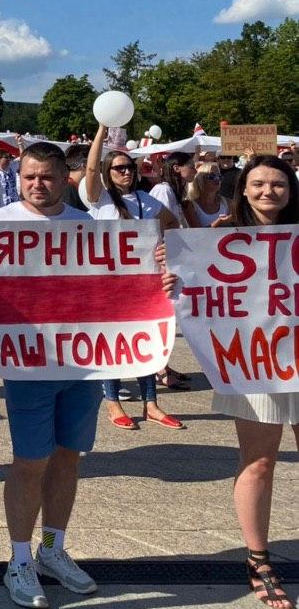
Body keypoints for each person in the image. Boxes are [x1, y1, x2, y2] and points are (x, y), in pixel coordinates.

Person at [166, 155, 299, 609]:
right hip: (253, 362)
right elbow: (192, 284)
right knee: (260, 462)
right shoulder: (220, 236)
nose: (268, 192)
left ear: (290, 189)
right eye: (258, 183)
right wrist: (173, 273)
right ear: (243, 189)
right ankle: (259, 560)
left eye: (278, 184)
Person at [0, 142, 103, 609]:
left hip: (83, 362)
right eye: (29, 176)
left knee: (69, 458)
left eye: (46, 177)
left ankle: (52, 549)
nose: (37, 184)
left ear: (63, 178)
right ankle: (18, 559)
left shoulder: (84, 224)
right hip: (28, 365)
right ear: (19, 176)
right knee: (30, 461)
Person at [83, 125, 183, 430]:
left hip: (143, 284)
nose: (126, 172)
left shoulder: (145, 199)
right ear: (108, 172)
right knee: (113, 343)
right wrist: (101, 128)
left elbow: (173, 224)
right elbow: (90, 167)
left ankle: (150, 403)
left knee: (147, 341)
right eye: (119, 168)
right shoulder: (98, 199)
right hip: (108, 284)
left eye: (130, 167)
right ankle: (113, 402)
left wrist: (167, 248)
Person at [148, 152, 196, 227]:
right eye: (192, 167)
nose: (196, 171)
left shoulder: (175, 191)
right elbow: (162, 223)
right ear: (176, 168)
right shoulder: (163, 189)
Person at [182, 160, 229, 227]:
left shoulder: (226, 202)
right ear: (200, 179)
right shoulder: (190, 205)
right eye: (212, 176)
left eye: (219, 176)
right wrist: (218, 222)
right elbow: (198, 233)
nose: (217, 179)